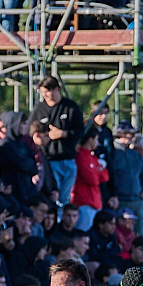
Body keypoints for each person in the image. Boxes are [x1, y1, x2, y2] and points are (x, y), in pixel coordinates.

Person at [27, 76, 84, 207]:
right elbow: (29, 131)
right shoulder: (39, 109)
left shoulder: (70, 107)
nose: (45, 95)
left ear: (57, 89)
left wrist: (63, 134)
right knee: (52, 197)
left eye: (48, 91)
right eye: (43, 92)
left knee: (64, 199)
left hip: (68, 160)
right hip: (49, 160)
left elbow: (80, 132)